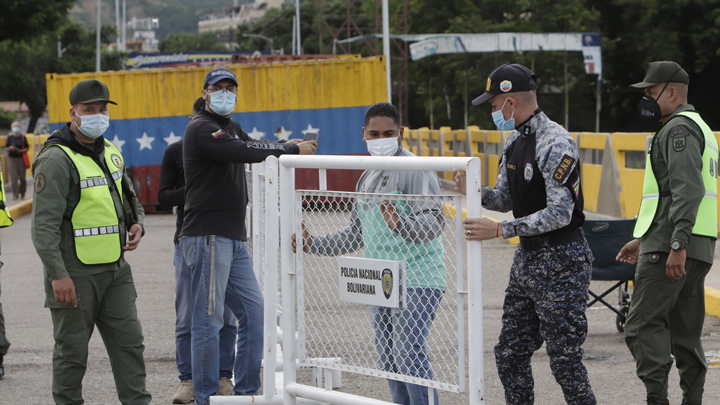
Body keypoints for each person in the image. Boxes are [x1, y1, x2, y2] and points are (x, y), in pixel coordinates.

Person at [453, 63, 596, 405]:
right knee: (510, 353)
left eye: (492, 105)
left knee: (564, 360)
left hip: (562, 260)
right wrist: (476, 192)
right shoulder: (515, 140)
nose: (492, 112)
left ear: (510, 103)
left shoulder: (556, 142)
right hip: (529, 260)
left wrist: (501, 229)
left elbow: (561, 213)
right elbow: (504, 198)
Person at [292, 102, 446, 405]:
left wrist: (401, 223)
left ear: (400, 133)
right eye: (374, 133)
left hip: (418, 275)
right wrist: (313, 244)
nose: (381, 138)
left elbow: (435, 221)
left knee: (408, 352)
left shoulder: (415, 168)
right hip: (383, 278)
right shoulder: (367, 175)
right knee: (389, 358)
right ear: (363, 135)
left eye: (388, 133)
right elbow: (355, 234)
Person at [180, 67, 317, 405]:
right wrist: (290, 148)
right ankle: (206, 396)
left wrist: (284, 148)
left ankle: (244, 392)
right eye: (218, 87)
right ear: (205, 92)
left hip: (232, 237)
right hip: (208, 235)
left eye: (231, 88)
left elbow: (249, 144)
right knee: (208, 321)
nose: (226, 93)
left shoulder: (231, 126)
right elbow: (245, 151)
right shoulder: (202, 128)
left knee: (256, 314)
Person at [31, 79, 151, 404]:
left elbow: (126, 192)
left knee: (130, 345)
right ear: (73, 113)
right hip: (74, 275)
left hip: (115, 270)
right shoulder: (56, 160)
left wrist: (136, 221)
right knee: (72, 356)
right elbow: (43, 228)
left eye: (102, 109)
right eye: (89, 110)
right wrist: (58, 274)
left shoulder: (109, 149)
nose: (97, 115)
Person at [615, 61, 717, 405]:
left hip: (674, 247)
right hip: (696, 246)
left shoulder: (678, 131)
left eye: (650, 93)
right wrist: (644, 239)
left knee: (642, 326)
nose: (646, 100)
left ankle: (657, 400)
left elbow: (687, 190)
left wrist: (675, 243)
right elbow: (672, 195)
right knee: (685, 335)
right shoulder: (700, 127)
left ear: (671, 92)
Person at [159, 97, 237, 403]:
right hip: (189, 241)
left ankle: (222, 378)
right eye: (198, 123)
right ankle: (188, 380)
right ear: (192, 122)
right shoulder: (175, 152)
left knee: (227, 316)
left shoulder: (231, 146)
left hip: (227, 240)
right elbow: (163, 197)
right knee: (188, 316)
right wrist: (193, 189)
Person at [6, 121, 28, 200]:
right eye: (14, 126)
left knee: (22, 177)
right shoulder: (9, 137)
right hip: (11, 159)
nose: (15, 128)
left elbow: (26, 148)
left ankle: (22, 191)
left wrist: (20, 150)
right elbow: (6, 148)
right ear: (12, 128)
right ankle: (15, 194)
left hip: (21, 158)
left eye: (17, 126)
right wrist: (11, 148)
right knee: (13, 177)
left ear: (19, 128)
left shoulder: (22, 137)